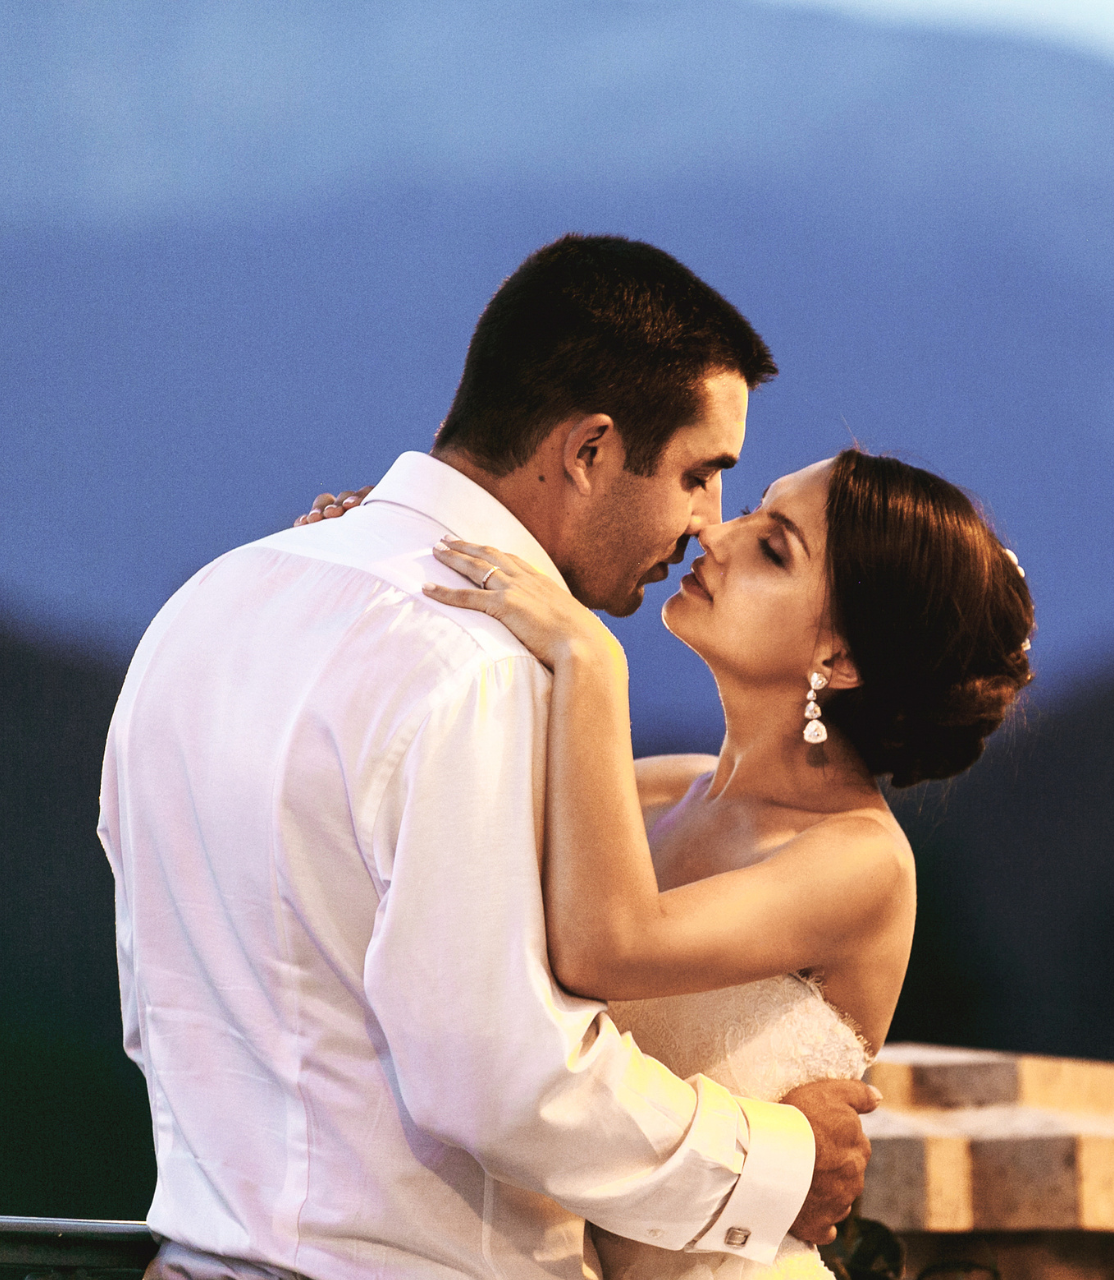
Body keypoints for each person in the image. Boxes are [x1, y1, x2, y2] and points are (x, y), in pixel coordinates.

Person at [100, 234, 880, 1280]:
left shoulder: (209, 602)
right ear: (591, 450)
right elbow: (504, 1078)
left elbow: (155, 1004)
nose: (708, 524)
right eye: (699, 475)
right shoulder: (481, 667)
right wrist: (775, 1165)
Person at [302, 446, 1037, 1280]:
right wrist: (392, 553)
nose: (715, 536)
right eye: (753, 510)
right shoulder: (658, 792)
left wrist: (593, 662)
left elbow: (608, 946)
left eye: (773, 549)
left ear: (840, 661)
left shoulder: (861, 860)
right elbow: (444, 809)